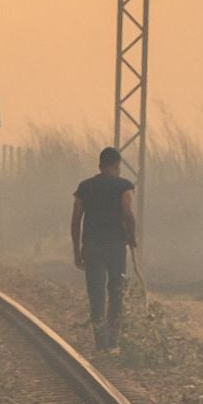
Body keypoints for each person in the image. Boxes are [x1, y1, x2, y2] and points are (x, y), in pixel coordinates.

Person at [71, 146, 138, 350]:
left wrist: (77, 251)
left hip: (92, 246)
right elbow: (128, 213)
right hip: (116, 246)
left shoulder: (84, 187)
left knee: (96, 292)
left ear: (100, 166)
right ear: (117, 166)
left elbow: (75, 221)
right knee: (116, 291)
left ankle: (100, 341)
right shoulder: (124, 186)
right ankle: (113, 340)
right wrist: (132, 237)